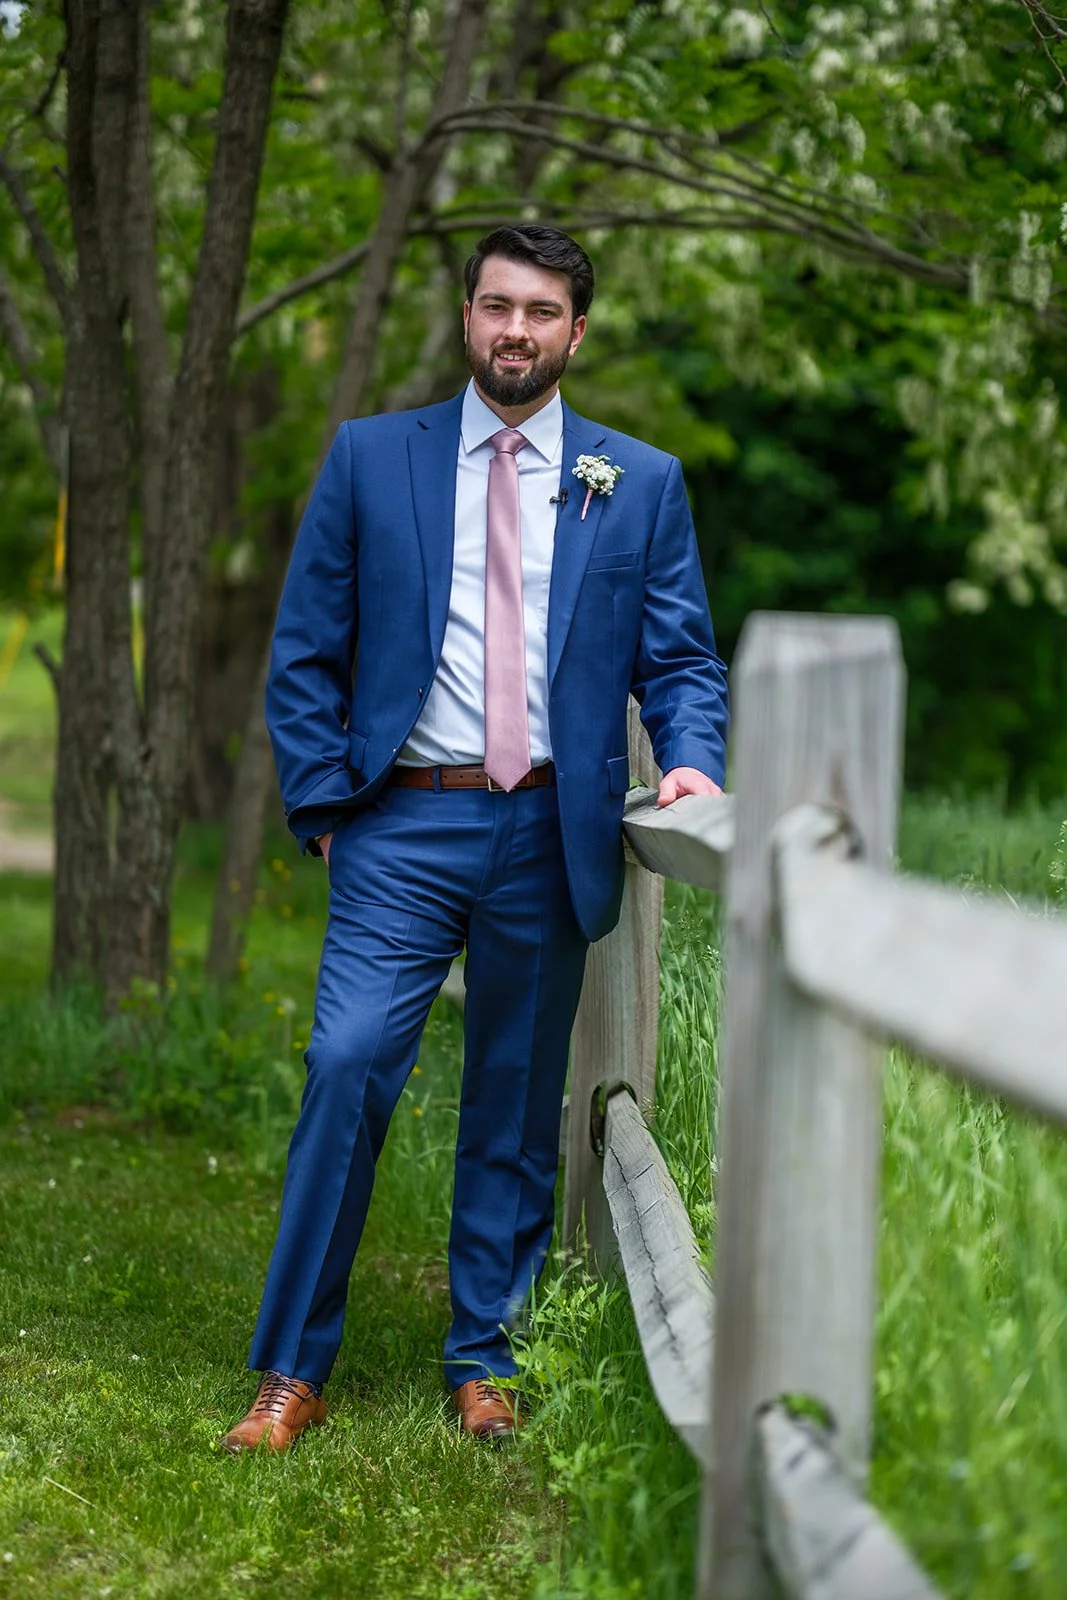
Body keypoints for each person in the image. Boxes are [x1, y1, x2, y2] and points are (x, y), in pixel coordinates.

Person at [221, 224, 729, 1452]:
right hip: (400, 817)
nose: (515, 329)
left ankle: (481, 1358)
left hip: (550, 826)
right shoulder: (367, 459)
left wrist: (694, 758)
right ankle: (291, 1367)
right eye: (496, 305)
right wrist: (326, 809)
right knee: (346, 1066)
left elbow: (678, 656)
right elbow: (304, 655)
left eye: (540, 311)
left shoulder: (637, 481)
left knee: (511, 1096)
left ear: (574, 332)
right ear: (466, 316)